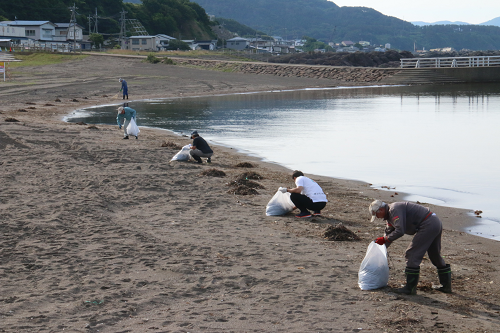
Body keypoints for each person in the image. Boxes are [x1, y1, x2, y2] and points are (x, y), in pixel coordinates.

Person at [369, 200, 452, 295]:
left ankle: (410, 288)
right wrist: (381, 249)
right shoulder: (389, 215)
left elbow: (400, 230)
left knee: (412, 254)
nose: (378, 218)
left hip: (428, 224)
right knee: (434, 255)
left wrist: (385, 239)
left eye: (376, 215)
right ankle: (446, 286)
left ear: (381, 209)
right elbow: (388, 233)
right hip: (434, 222)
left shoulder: (394, 209)